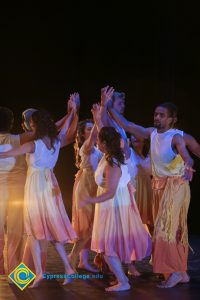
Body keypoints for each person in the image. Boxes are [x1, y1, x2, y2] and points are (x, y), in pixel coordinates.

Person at [107, 100, 195, 288]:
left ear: (172, 119)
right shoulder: (151, 133)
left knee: (165, 230)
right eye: (156, 114)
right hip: (158, 186)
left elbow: (188, 156)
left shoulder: (176, 137)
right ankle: (182, 272)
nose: (157, 117)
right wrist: (109, 107)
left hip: (175, 186)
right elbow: (127, 125)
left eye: (162, 115)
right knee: (170, 230)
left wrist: (188, 165)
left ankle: (175, 272)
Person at [0, 103, 78, 288]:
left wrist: (70, 114)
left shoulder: (30, 143)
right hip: (47, 186)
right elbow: (63, 130)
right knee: (37, 233)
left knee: (34, 232)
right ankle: (37, 273)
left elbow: (10, 153)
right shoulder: (54, 141)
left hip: (34, 188)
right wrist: (71, 113)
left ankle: (29, 275)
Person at [80, 107, 151, 292]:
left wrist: (89, 201)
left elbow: (110, 192)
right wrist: (98, 119)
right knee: (109, 244)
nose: (96, 142)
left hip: (113, 204)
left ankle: (123, 281)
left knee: (107, 245)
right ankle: (122, 279)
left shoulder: (112, 162)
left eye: (98, 140)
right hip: (114, 203)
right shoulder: (112, 153)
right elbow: (108, 134)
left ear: (103, 143)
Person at [0, 107, 36, 275]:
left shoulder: (18, 139)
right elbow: (47, 130)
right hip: (17, 193)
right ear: (11, 123)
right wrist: (71, 113)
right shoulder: (18, 139)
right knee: (15, 232)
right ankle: (15, 272)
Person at [69, 119, 102, 272]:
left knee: (91, 226)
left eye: (92, 128)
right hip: (86, 187)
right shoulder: (86, 147)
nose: (92, 131)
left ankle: (83, 261)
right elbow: (96, 133)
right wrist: (98, 117)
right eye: (88, 129)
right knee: (86, 227)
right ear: (82, 134)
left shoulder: (96, 147)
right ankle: (72, 257)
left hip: (95, 186)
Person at [129, 135, 154, 233]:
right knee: (135, 218)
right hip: (135, 186)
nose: (136, 139)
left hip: (147, 186)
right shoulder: (129, 152)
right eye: (133, 138)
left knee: (150, 218)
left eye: (138, 139)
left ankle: (154, 243)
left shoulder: (147, 154)